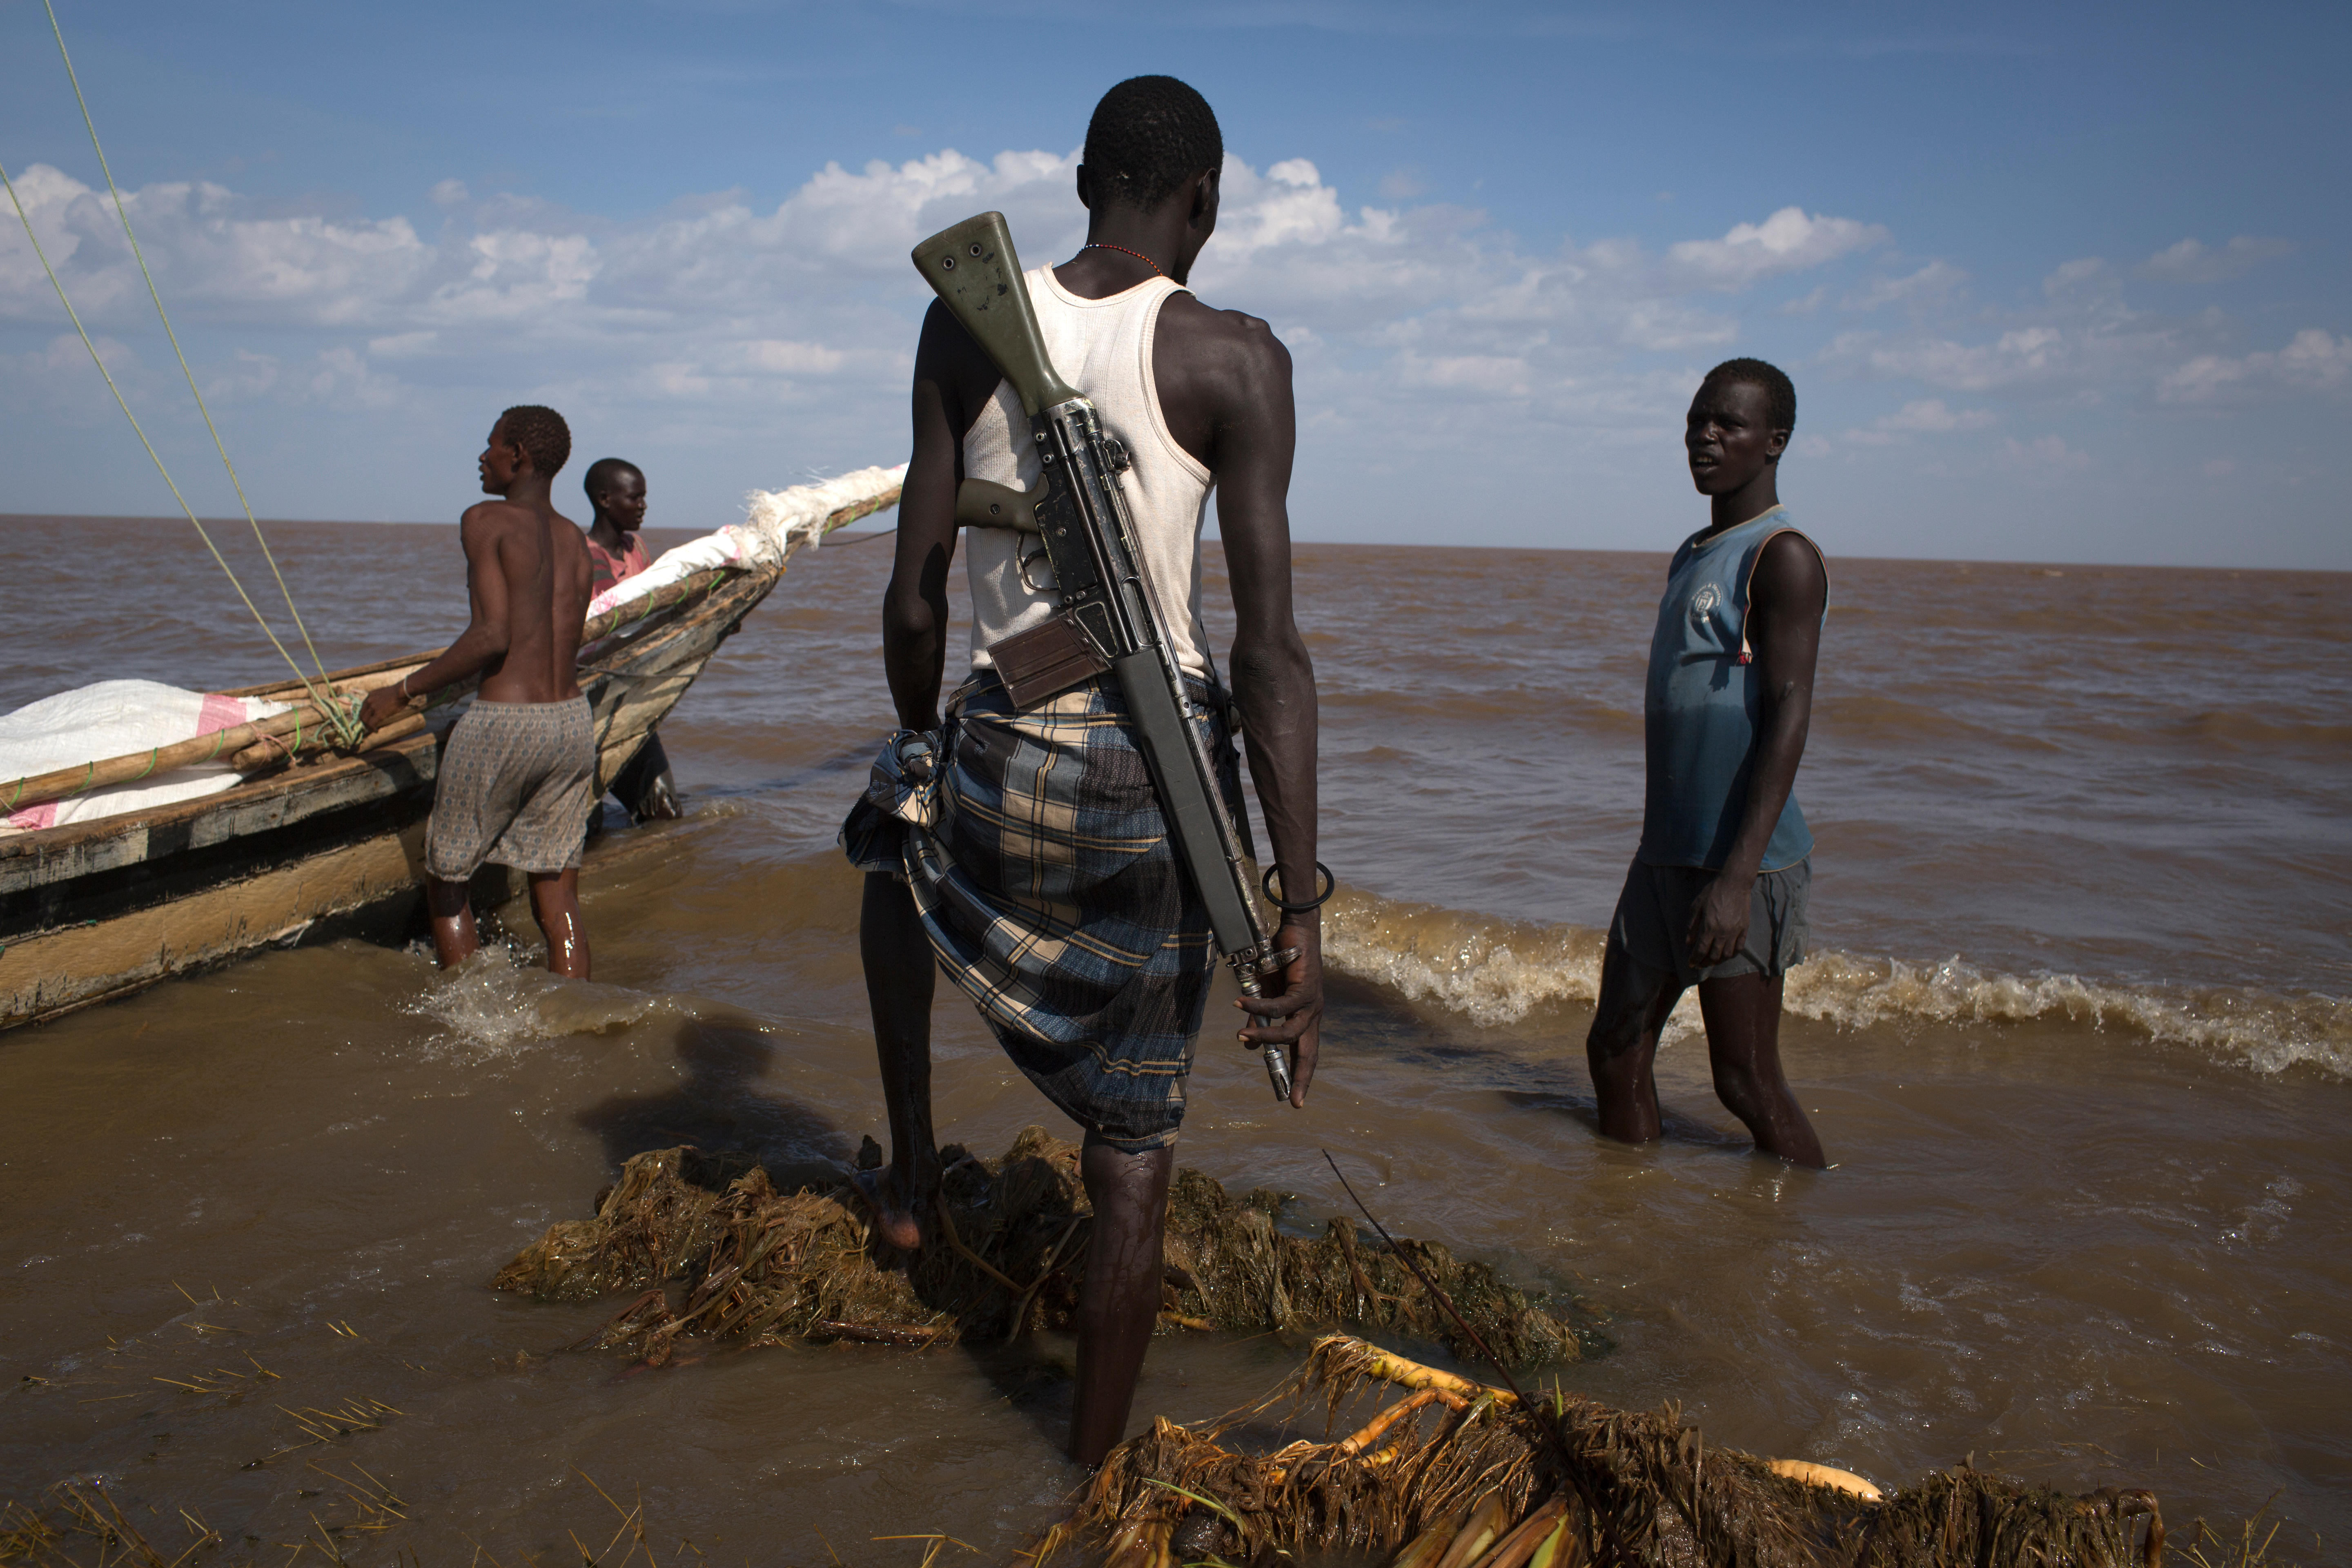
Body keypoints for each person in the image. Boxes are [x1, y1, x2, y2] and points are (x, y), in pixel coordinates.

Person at [840, 75, 1324, 1466]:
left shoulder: (964, 318)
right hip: (1150, 785)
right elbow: (1270, 657)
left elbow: (915, 596)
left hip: (1003, 727)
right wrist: (1297, 907)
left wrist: (924, 738)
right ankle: (1096, 1480)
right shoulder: (1238, 358)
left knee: (889, 840)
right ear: (1204, 207)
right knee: (1132, 1157)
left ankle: (915, 1170)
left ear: (1079, 182)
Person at [1584, 359, 1830, 1168]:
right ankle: (1631, 1228)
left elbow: (1789, 714)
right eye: (1697, 421)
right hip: (1665, 858)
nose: (1706, 437)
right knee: (1615, 1054)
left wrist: (1735, 881)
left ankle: (1800, 1221)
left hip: (1741, 868)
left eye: (1728, 424)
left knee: (1745, 1082)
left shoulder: (1782, 556)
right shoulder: (1693, 552)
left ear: (1774, 442)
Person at [359, 405, 598, 979]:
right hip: (571, 725)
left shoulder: (486, 520)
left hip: (504, 725)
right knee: (557, 892)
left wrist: (402, 692)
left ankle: (470, 1023)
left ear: (517, 456)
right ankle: (577, 1015)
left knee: (447, 879)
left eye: (490, 445)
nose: (482, 456)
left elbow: (493, 635)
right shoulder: (575, 540)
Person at [579, 457, 681, 827]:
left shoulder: (635, 547)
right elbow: (615, 620)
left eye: (644, 498)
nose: (643, 506)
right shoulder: (584, 556)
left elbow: (658, 597)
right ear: (605, 500)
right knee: (587, 829)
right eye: (634, 498)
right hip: (591, 705)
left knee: (664, 814)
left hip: (632, 702)